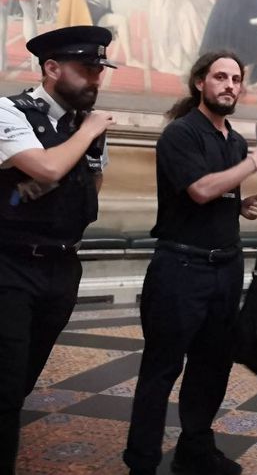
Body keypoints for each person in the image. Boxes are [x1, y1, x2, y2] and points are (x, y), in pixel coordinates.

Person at [123, 51, 257, 475]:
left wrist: (239, 204)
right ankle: (142, 461)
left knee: (211, 367)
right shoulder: (181, 134)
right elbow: (200, 190)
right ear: (199, 83)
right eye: (220, 77)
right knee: (162, 368)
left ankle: (195, 450)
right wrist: (253, 164)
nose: (230, 85)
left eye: (236, 78)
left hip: (226, 268)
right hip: (181, 269)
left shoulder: (232, 139)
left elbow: (218, 193)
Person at [0, 25, 116, 473]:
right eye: (87, 69)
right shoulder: (11, 111)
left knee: (21, 379)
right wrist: (88, 133)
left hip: (62, 267)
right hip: (10, 266)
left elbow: (91, 187)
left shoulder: (83, 126)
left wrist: (86, 136)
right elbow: (46, 170)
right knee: (6, 388)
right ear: (51, 68)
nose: (96, 80)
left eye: (100, 70)